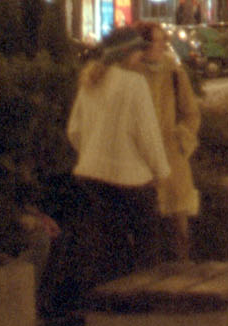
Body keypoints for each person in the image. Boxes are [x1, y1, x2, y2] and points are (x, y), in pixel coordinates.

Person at [66, 26, 172, 291]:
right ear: (126, 54)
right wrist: (161, 172)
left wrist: (93, 153)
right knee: (147, 249)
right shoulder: (134, 84)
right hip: (131, 180)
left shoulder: (90, 82)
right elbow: (147, 135)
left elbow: (74, 130)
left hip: (91, 178)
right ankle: (145, 307)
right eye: (137, 50)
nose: (140, 55)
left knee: (107, 250)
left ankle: (108, 312)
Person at [138, 22, 201, 260]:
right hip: (142, 160)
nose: (163, 45)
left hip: (172, 158)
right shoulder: (132, 74)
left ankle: (183, 272)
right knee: (150, 226)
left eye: (164, 40)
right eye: (158, 40)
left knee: (179, 227)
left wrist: (181, 139)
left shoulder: (174, 72)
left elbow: (191, 112)